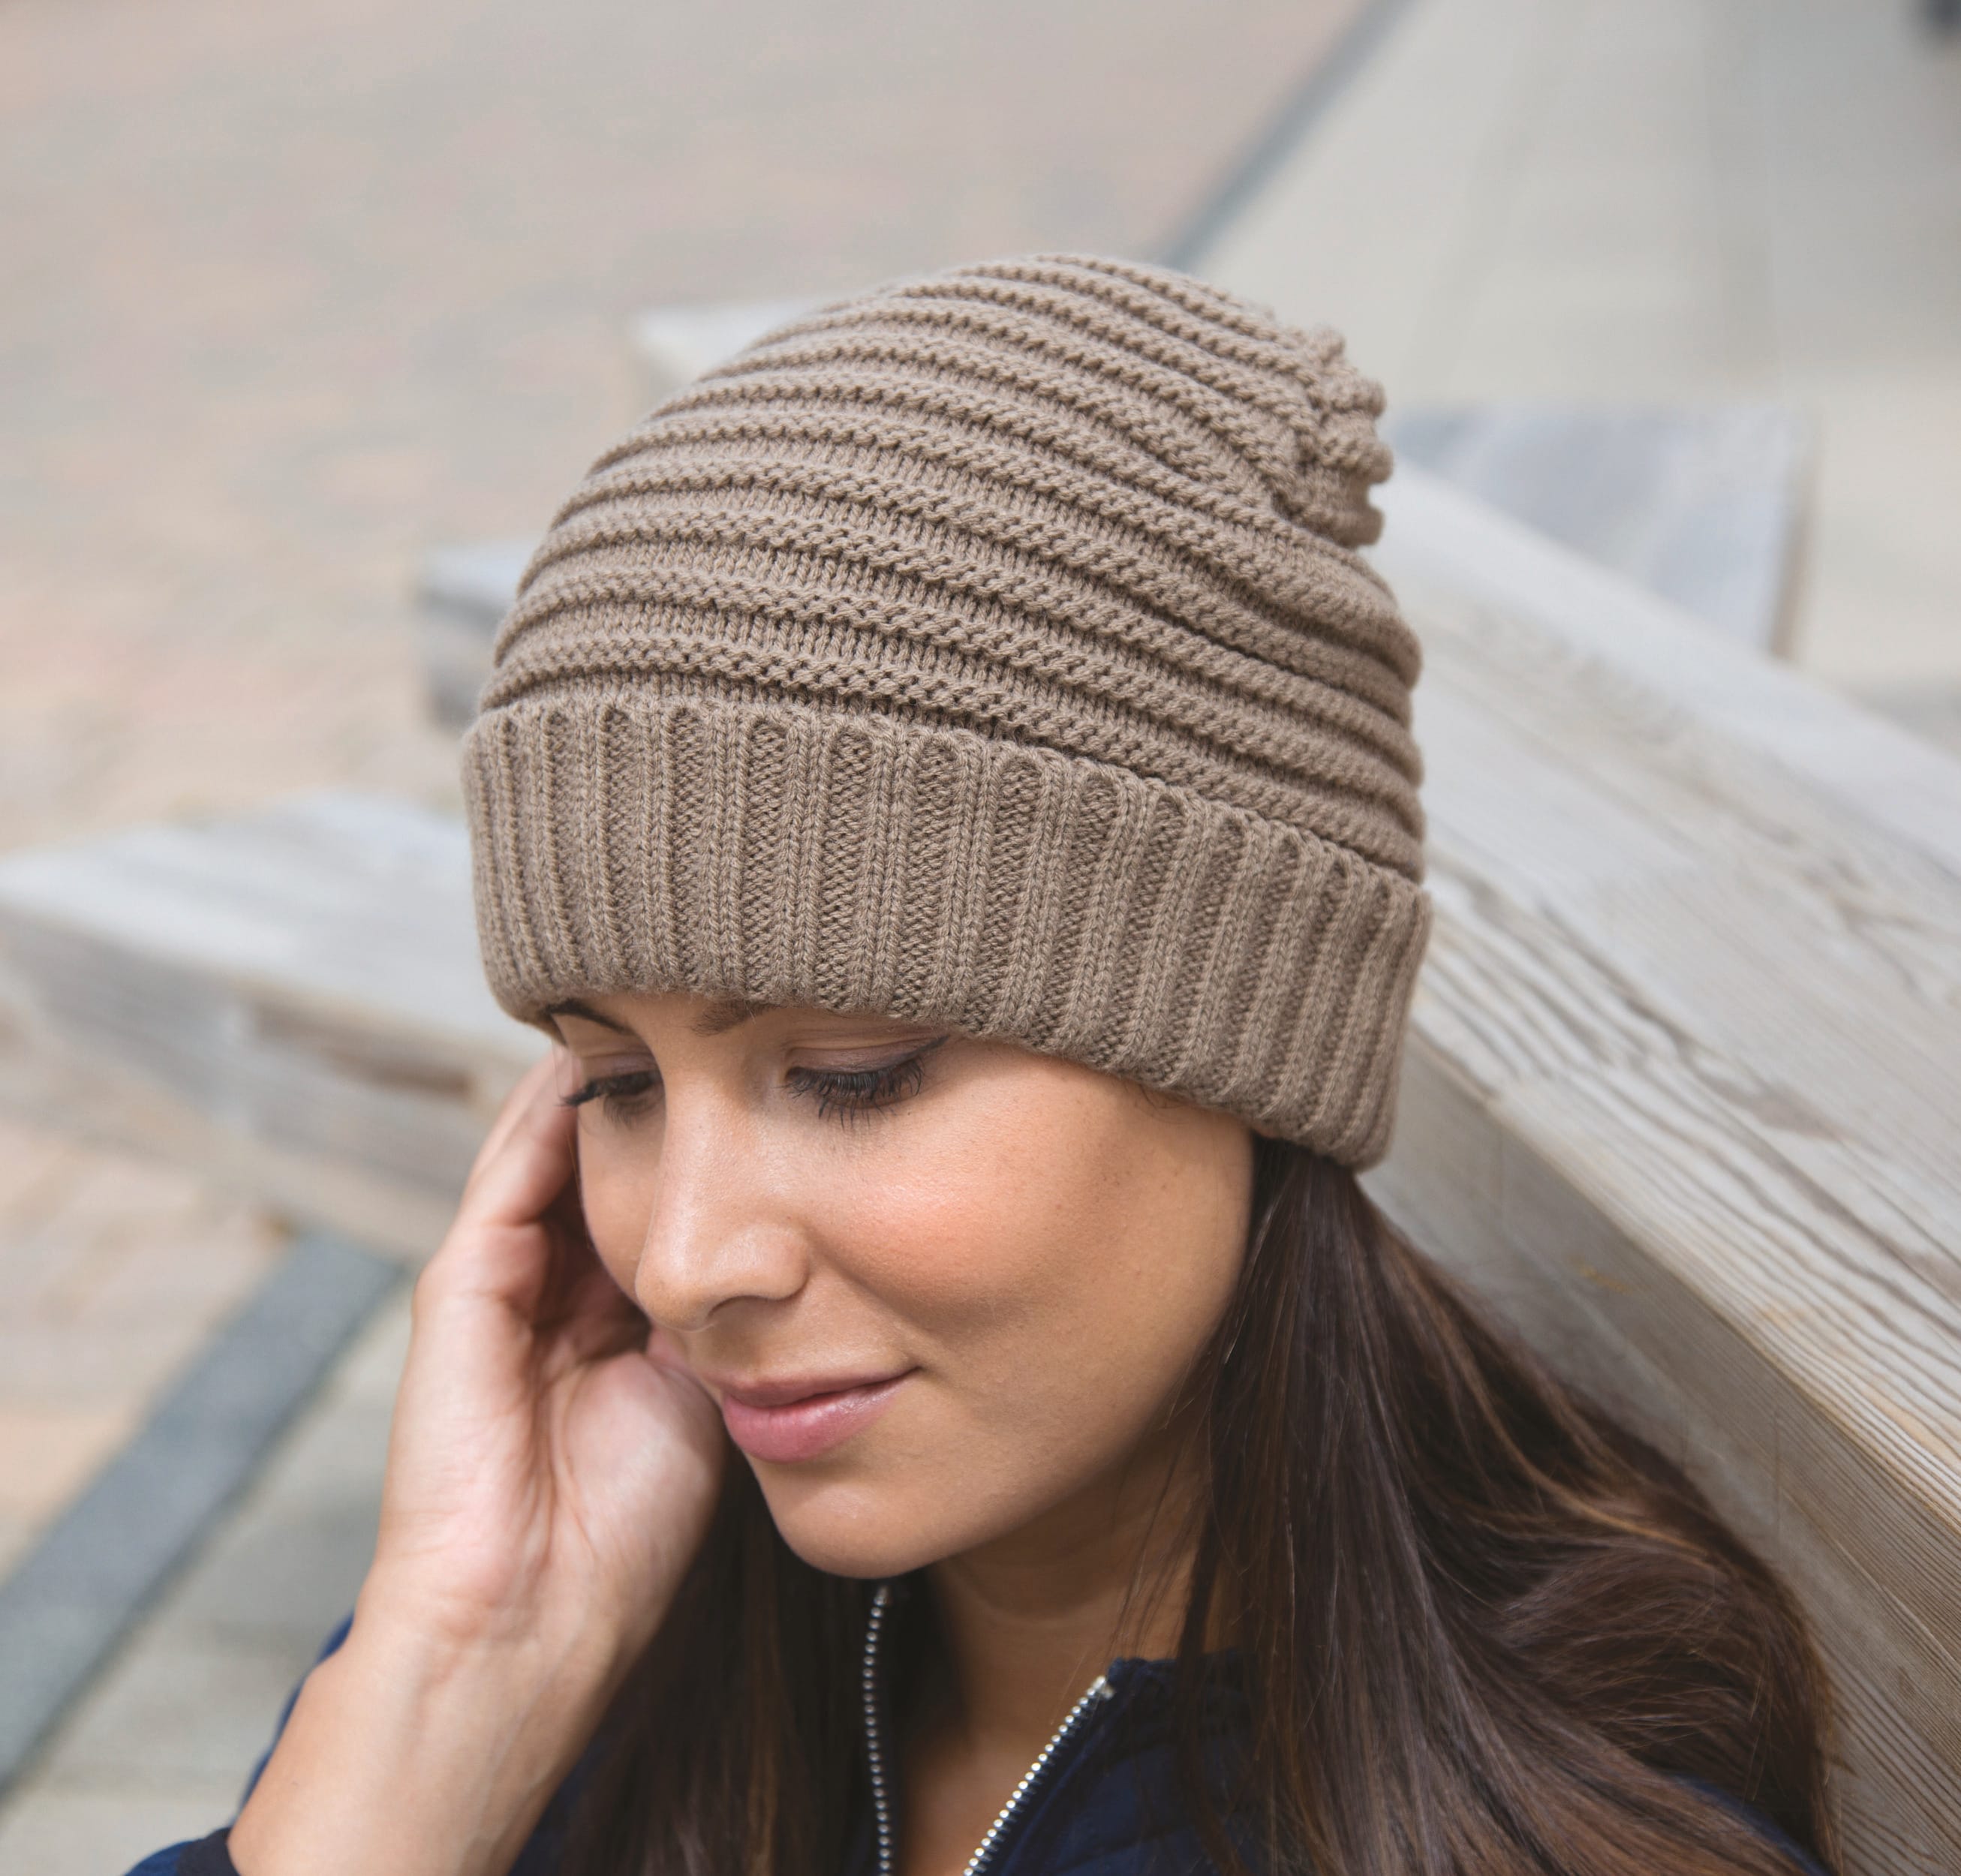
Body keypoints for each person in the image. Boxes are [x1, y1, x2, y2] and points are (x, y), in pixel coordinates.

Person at [130, 254, 1836, 1876]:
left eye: (854, 1066)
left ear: (1245, 1026)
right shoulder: (581, 1653)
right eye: (616, 1082)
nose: (683, 1258)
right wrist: (448, 1683)